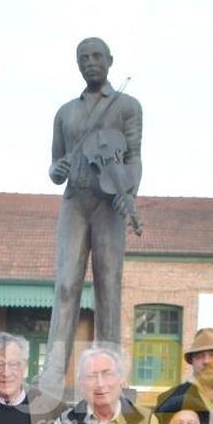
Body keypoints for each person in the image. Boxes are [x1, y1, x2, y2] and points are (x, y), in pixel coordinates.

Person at [43, 37, 143, 383]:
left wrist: (127, 190)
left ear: (110, 60)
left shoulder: (127, 105)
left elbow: (133, 156)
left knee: (108, 286)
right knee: (66, 284)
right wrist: (55, 171)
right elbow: (56, 164)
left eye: (97, 56)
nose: (90, 62)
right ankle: (53, 373)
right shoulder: (65, 113)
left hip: (108, 203)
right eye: (83, 57)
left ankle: (110, 371)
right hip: (75, 201)